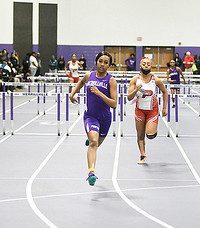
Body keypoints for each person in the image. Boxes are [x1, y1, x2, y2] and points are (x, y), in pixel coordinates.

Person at [70, 51, 117, 186]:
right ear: (96, 62)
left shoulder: (111, 81)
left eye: (106, 62)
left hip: (105, 118)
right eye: (100, 61)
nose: (102, 64)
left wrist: (99, 93)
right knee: (93, 143)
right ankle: (91, 173)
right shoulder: (88, 76)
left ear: (109, 65)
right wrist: (72, 94)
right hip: (91, 116)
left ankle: (91, 137)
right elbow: (80, 83)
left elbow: (114, 104)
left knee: (96, 144)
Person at [128, 57, 168, 164]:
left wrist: (164, 108)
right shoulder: (135, 80)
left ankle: (151, 129)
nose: (146, 65)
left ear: (151, 66)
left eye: (148, 64)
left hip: (152, 111)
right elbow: (129, 97)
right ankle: (143, 155)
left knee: (150, 135)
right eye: (144, 64)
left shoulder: (156, 80)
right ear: (140, 65)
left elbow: (165, 92)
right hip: (139, 110)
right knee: (140, 135)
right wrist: (136, 89)